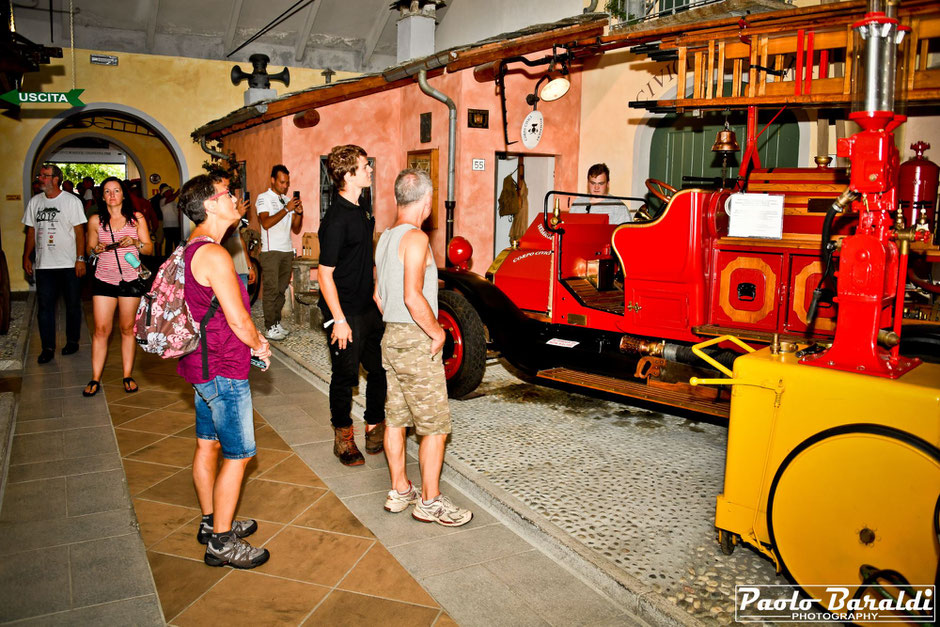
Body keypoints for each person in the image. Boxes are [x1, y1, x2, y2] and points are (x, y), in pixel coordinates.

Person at [176, 174, 272, 569]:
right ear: (210, 205)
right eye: (227, 194)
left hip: (201, 365)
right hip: (223, 368)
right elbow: (238, 319)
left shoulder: (192, 248)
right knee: (238, 455)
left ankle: (212, 520)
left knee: (206, 445)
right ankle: (221, 542)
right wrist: (260, 345)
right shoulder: (214, 255)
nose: (235, 199)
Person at [374, 169, 472, 526]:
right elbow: (412, 296)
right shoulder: (415, 239)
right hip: (416, 338)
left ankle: (400, 490)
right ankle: (430, 501)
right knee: (434, 426)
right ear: (427, 203)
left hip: (391, 337)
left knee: (396, 418)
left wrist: (399, 325)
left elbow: (379, 296)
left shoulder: (385, 238)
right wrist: (437, 333)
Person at [318, 145, 386, 466]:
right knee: (345, 376)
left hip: (366, 305)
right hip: (343, 310)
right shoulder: (335, 220)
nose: (370, 170)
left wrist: (376, 290)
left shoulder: (363, 208)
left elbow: (366, 256)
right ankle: (343, 437)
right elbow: (324, 274)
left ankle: (374, 422)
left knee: (380, 367)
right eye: (364, 166)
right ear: (348, 175)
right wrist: (338, 319)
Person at [83, 178, 153, 397]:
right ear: (102, 196)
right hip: (104, 278)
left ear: (123, 194)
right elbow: (89, 250)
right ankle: (95, 377)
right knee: (101, 330)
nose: (112, 194)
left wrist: (135, 243)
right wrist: (97, 249)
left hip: (131, 279)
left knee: (126, 328)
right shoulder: (95, 220)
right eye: (107, 191)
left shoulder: (136, 219)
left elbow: (149, 249)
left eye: (116, 190)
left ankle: (127, 374)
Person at [22, 164, 87, 364]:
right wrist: (27, 256)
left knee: (73, 305)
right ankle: (47, 347)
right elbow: (31, 232)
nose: (41, 178)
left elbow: (79, 232)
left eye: (45, 176)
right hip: (44, 265)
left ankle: (72, 341)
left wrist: (80, 259)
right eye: (40, 175)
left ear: (56, 179)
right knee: (45, 307)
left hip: (68, 263)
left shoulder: (71, 201)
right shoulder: (35, 202)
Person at [255, 164, 302, 340]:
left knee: (281, 290)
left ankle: (276, 323)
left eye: (287, 183)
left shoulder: (286, 200)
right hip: (271, 251)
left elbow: (296, 229)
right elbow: (265, 223)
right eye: (282, 182)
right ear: (273, 180)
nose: (285, 186)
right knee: (271, 290)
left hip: (286, 250)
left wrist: (298, 213)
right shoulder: (263, 198)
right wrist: (286, 209)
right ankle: (269, 326)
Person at [209, 168, 254, 288]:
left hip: (240, 268)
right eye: (225, 188)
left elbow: (238, 237)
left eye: (229, 188)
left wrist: (248, 266)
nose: (229, 193)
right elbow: (218, 240)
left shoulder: (231, 205)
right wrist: (237, 216)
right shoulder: (211, 211)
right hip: (224, 269)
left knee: (244, 305)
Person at [160, 184, 182, 255]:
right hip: (167, 226)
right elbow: (169, 199)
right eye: (168, 191)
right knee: (169, 245)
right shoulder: (162, 201)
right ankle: (167, 261)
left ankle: (177, 261)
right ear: (164, 193)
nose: (170, 192)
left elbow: (178, 213)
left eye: (170, 191)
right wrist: (177, 193)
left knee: (177, 245)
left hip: (176, 226)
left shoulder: (174, 202)